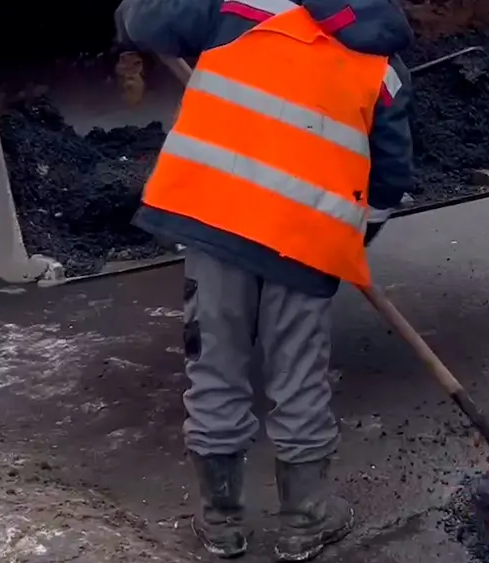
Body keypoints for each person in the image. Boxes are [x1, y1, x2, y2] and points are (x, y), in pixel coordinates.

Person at [113, 0, 414, 559]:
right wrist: (351, 237)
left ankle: (221, 521)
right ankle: (305, 520)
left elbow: (144, 21)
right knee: (299, 376)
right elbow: (393, 173)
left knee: (216, 367)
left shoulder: (234, 9)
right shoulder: (385, 58)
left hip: (217, 224)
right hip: (306, 245)